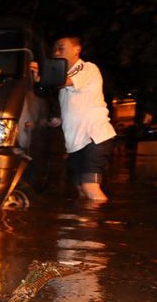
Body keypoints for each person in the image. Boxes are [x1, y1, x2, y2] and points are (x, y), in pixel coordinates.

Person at [31, 36, 117, 202]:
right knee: (81, 190)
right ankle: (86, 225)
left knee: (89, 187)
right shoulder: (64, 81)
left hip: (94, 137)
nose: (56, 52)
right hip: (76, 144)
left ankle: (102, 222)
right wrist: (59, 120)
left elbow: (64, 82)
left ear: (77, 50)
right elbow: (74, 107)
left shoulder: (87, 68)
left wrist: (42, 75)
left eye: (61, 48)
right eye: (54, 49)